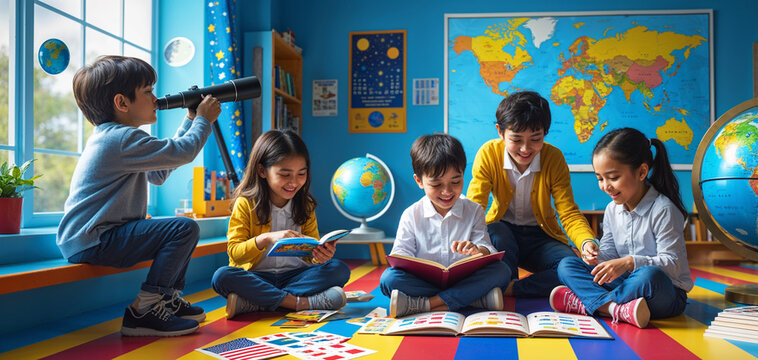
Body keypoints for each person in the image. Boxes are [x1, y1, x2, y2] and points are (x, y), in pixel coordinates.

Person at [57, 55, 220, 336]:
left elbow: (159, 173)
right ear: (121, 103)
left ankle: (165, 298)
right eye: (147, 92)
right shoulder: (121, 138)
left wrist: (191, 118)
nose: (155, 99)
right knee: (184, 228)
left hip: (92, 237)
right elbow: (183, 151)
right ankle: (144, 309)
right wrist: (204, 121)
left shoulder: (117, 137)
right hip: (96, 238)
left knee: (178, 230)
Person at [550, 127, 693, 328]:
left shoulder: (663, 209)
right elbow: (609, 253)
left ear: (642, 172)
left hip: (662, 292)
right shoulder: (612, 210)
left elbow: (673, 263)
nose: (605, 186)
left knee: (649, 275)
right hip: (625, 285)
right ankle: (615, 309)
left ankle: (589, 304)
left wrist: (628, 263)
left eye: (613, 177)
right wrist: (594, 255)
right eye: (600, 178)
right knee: (567, 264)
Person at [466, 91, 597, 298]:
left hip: (541, 237)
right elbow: (475, 205)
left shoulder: (553, 158)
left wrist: (587, 241)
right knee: (497, 235)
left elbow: (568, 212)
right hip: (502, 232)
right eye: (516, 139)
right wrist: (467, 243)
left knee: (573, 267)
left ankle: (509, 289)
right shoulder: (488, 153)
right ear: (500, 131)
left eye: (535, 139)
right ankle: (506, 280)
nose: (525, 149)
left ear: (545, 132)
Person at [211, 129, 350, 320]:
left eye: (301, 174)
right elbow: (235, 252)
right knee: (222, 276)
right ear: (262, 171)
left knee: (339, 269)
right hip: (257, 277)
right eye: (285, 174)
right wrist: (265, 238)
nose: (294, 182)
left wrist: (321, 256)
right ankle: (298, 303)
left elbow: (312, 256)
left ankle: (257, 301)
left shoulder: (306, 205)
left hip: (296, 276)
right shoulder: (246, 203)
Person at [381, 134, 511, 318]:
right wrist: (411, 264)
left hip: (465, 278)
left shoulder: (473, 210)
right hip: (425, 282)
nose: (447, 191)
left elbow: (487, 247)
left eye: (455, 182)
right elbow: (400, 255)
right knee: (389, 279)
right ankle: (473, 299)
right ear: (419, 181)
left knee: (501, 271)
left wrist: (477, 251)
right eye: (436, 184)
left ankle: (427, 304)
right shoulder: (411, 214)